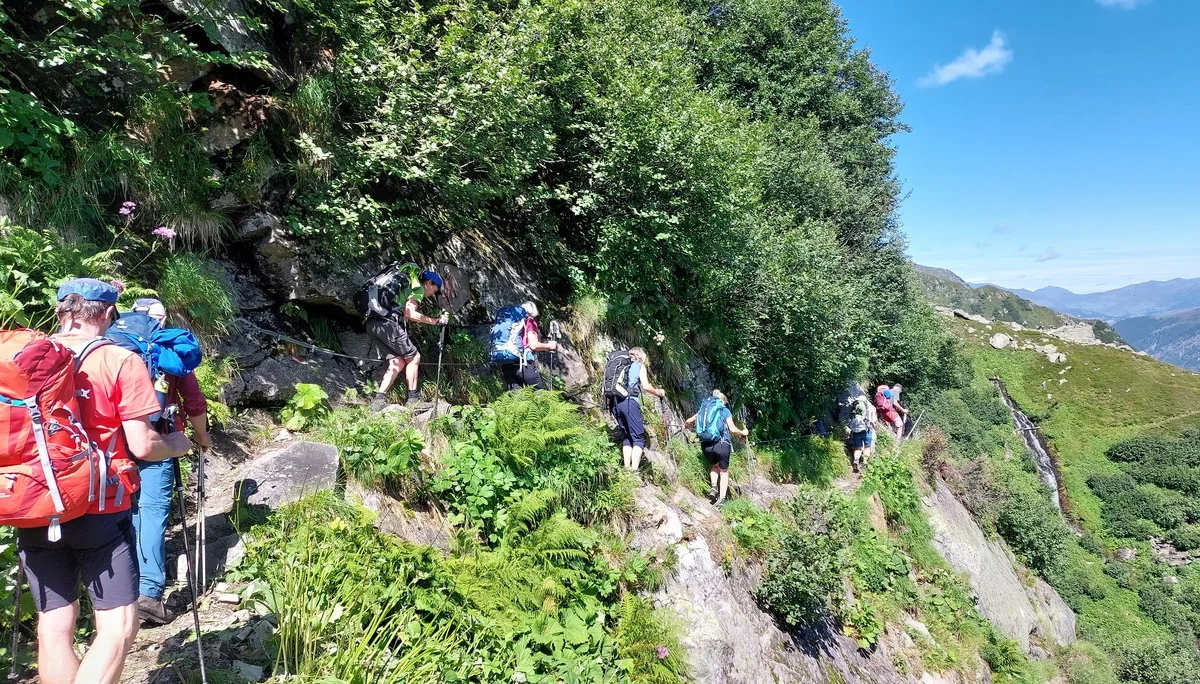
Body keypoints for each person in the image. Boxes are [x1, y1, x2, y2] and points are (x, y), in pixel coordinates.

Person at [18, 279, 191, 684]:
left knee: (54, 624)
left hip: (35, 502)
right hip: (99, 505)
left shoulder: (24, 356)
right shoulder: (118, 359)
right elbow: (143, 446)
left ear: (61, 312)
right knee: (117, 626)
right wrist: (178, 443)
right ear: (109, 314)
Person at [126, 298, 213, 624]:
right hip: (160, 442)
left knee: (127, 514)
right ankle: (148, 592)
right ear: (161, 321)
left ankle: (124, 591)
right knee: (150, 513)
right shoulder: (169, 351)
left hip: (117, 447)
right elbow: (193, 401)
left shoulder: (114, 348)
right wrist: (201, 437)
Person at [366, 270, 449, 410]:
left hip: (372, 323)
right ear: (429, 283)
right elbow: (411, 313)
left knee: (397, 361)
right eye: (435, 290)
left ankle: (379, 399)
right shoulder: (418, 288)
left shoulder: (403, 287)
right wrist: (436, 321)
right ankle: (413, 400)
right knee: (414, 357)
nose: (433, 294)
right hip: (388, 324)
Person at [684, 390, 749, 506]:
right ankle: (722, 499)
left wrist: (685, 426)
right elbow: (733, 429)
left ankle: (714, 487)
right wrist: (743, 432)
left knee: (714, 465)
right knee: (724, 472)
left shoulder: (704, 409)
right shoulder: (724, 410)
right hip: (722, 444)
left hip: (706, 445)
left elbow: (688, 421)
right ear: (723, 402)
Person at [611, 347, 666, 472]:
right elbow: (646, 386)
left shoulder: (621, 366)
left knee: (627, 436)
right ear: (641, 356)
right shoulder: (639, 366)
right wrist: (658, 392)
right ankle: (634, 470)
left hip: (615, 404)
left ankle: (626, 468)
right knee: (638, 438)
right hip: (630, 403)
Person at [501, 301, 559, 391]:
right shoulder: (529, 321)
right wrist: (549, 346)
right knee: (541, 397)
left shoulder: (510, 322)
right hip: (524, 365)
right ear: (531, 312)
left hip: (507, 365)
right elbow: (533, 345)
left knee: (517, 401)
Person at [845, 395, 872, 473]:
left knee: (858, 448)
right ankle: (865, 463)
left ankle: (856, 460)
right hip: (865, 430)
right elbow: (871, 420)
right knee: (867, 447)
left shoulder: (854, 407)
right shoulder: (868, 407)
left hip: (856, 431)